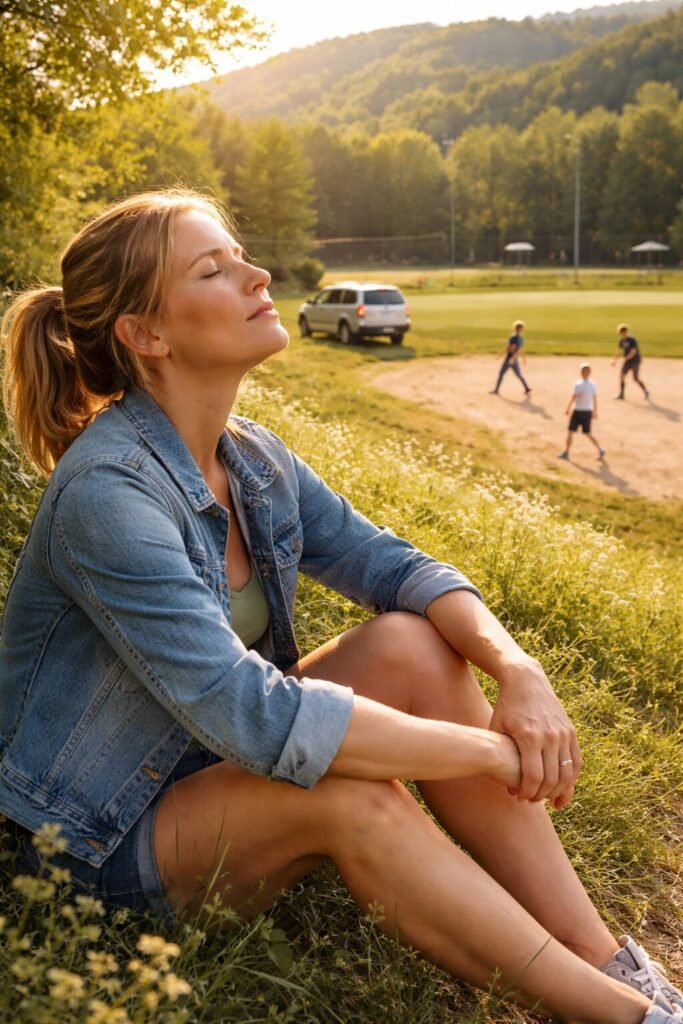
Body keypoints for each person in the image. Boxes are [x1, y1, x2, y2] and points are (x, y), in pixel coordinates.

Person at [1, 190, 681, 1024]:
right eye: (214, 269)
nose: (257, 275)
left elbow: (395, 566)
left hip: (205, 773)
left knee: (412, 644)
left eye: (241, 254)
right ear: (146, 336)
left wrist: (516, 666)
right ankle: (628, 1019)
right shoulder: (108, 494)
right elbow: (254, 713)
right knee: (340, 792)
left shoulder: (250, 457)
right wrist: (489, 755)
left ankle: (603, 956)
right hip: (92, 837)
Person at [558, 363, 606, 462]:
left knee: (576, 432)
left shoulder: (578, 384)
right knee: (581, 432)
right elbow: (594, 398)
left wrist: (567, 408)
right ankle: (600, 449)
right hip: (587, 411)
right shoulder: (593, 384)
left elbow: (574, 397)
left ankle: (567, 452)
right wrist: (595, 411)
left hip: (579, 411)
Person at [490, 319, 531, 396]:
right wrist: (523, 358)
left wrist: (501, 354)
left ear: (514, 328)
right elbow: (521, 349)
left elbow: (510, 348)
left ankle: (496, 390)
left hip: (509, 358)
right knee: (519, 374)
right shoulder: (521, 338)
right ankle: (526, 388)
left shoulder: (513, 337)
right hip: (515, 359)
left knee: (501, 373)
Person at [613, 324, 649, 400]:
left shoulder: (632, 340)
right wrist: (615, 361)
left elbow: (634, 351)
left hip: (635, 361)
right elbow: (619, 351)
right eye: (621, 332)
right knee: (622, 376)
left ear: (627, 332)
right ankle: (622, 394)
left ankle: (646, 391)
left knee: (635, 378)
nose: (623, 334)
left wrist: (627, 358)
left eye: (624, 332)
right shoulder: (621, 341)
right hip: (627, 361)